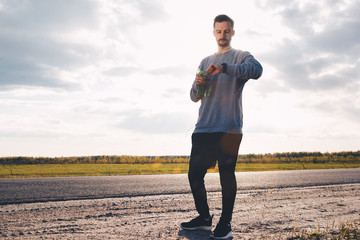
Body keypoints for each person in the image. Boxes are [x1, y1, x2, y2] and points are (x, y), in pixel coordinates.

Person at [180, 14, 263, 239]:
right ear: (214, 32)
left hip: (229, 128)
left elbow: (257, 70)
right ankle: (204, 218)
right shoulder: (204, 62)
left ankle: (225, 225)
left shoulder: (241, 56)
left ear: (232, 32)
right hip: (204, 127)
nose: (222, 35)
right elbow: (194, 96)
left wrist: (225, 68)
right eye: (219, 31)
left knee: (227, 174)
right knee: (194, 174)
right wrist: (199, 84)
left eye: (227, 31)